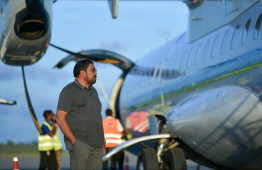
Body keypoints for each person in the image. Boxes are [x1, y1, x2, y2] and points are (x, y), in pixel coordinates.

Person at [56, 59, 106, 170]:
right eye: (93, 70)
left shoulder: (94, 91)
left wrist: (103, 142)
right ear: (82, 73)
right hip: (81, 144)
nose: (96, 73)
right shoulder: (69, 91)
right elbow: (60, 118)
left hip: (97, 146)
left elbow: (97, 117)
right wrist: (74, 141)